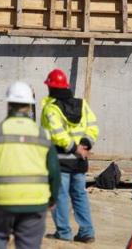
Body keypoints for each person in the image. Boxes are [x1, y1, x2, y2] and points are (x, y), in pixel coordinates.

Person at [0, 81, 61, 249]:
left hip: (1, 200)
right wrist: (53, 198)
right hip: (35, 201)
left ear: (8, 104)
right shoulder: (43, 135)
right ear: (30, 105)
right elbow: (54, 171)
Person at [40, 68, 99, 244]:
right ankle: (86, 232)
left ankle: (64, 232)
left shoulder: (51, 108)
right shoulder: (82, 104)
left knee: (60, 196)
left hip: (60, 161)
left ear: (50, 87)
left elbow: (57, 133)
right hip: (79, 161)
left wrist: (74, 148)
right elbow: (92, 127)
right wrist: (84, 146)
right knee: (79, 195)